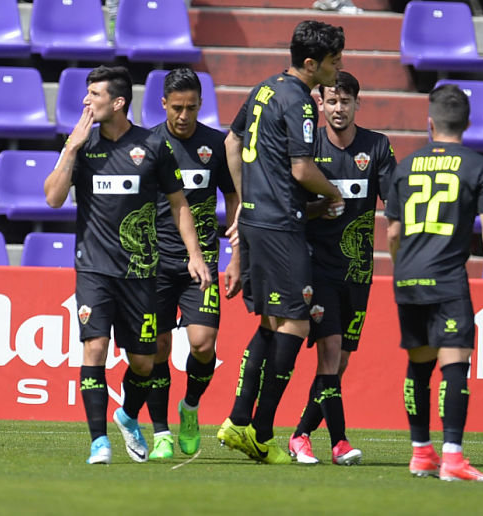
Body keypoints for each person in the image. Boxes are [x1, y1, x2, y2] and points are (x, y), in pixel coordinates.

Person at [44, 65, 211, 465]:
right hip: (94, 269)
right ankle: (98, 442)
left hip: (140, 272)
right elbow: (52, 198)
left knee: (144, 361)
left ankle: (125, 415)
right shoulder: (82, 147)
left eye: (95, 95)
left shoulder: (153, 147)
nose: (86, 101)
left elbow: (179, 205)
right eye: (87, 94)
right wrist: (70, 148)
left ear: (118, 102)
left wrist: (195, 254)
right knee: (95, 347)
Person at [216, 20, 346, 465]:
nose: (338, 67)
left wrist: (244, 201)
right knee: (296, 325)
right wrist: (334, 192)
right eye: (333, 61)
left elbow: (231, 142)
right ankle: (262, 431)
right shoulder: (300, 103)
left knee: (272, 324)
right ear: (311, 64)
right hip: (280, 226)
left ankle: (238, 419)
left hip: (256, 221)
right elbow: (301, 169)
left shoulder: (264, 89)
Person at [385, 84, 483, 482]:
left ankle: (421, 453)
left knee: (418, 365)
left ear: (430, 123)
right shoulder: (478, 166)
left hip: (408, 278)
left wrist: (404, 268)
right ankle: (453, 457)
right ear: (468, 124)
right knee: (454, 365)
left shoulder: (405, 166)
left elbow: (392, 233)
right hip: (448, 279)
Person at [287, 71, 397, 465]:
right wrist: (318, 207)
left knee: (340, 360)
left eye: (345, 101)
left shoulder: (377, 146)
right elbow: (291, 208)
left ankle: (300, 434)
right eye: (331, 101)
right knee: (330, 351)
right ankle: (339, 443)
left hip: (358, 273)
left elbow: (394, 201)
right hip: (318, 270)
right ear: (320, 104)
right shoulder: (307, 148)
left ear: (357, 104)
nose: (338, 108)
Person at [145, 68, 241, 460]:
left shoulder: (214, 145)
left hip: (200, 266)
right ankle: (160, 432)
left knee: (203, 345)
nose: (184, 116)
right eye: (177, 108)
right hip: (153, 264)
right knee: (157, 349)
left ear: (201, 105)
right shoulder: (148, 145)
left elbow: (233, 198)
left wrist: (237, 253)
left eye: (192, 108)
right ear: (163, 104)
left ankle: (190, 407)